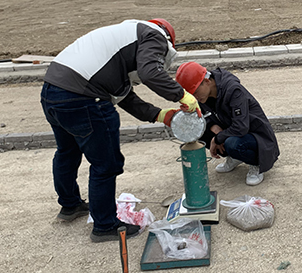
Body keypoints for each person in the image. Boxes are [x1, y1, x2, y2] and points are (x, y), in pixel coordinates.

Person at [40, 18, 199, 243]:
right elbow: (150, 73)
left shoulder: (120, 44)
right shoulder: (154, 36)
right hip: (83, 97)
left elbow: (125, 97)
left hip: (53, 91)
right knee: (106, 164)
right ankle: (104, 225)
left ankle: (70, 205)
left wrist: (160, 115)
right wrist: (181, 95)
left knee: (68, 152)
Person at [174, 61, 279, 186]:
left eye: (195, 92)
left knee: (232, 143)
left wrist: (218, 138)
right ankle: (234, 158)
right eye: (191, 95)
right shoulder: (203, 94)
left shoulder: (233, 90)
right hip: (232, 130)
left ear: (207, 81)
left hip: (257, 137)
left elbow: (241, 127)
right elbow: (201, 116)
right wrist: (214, 127)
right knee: (201, 132)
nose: (195, 98)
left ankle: (256, 164)